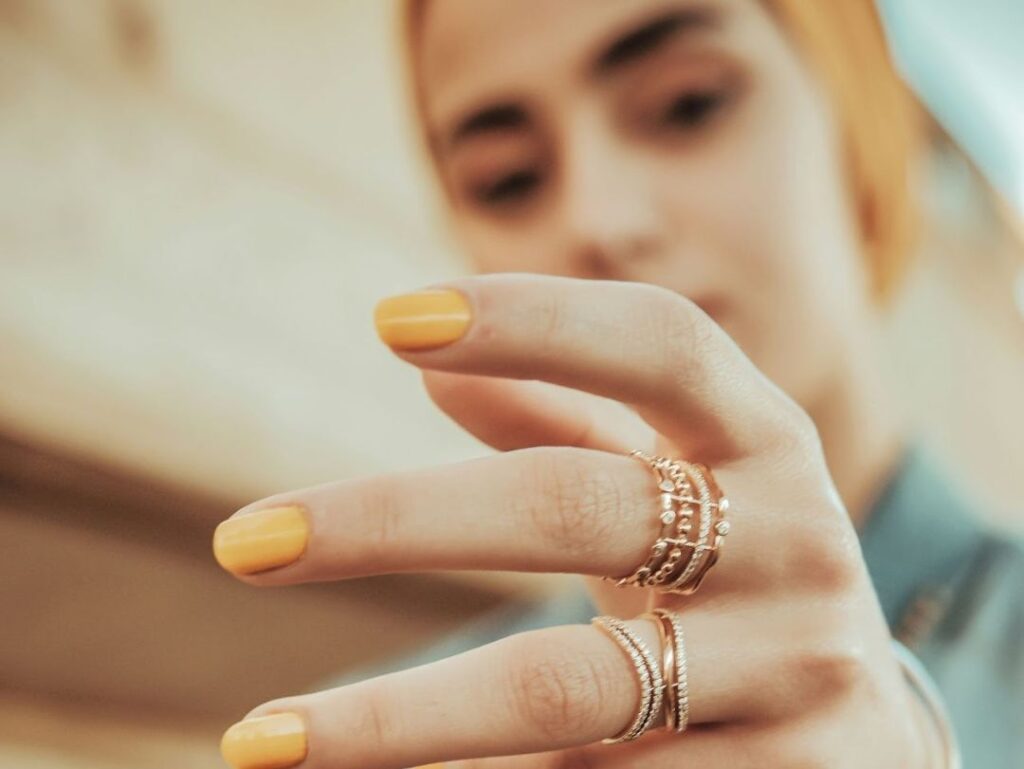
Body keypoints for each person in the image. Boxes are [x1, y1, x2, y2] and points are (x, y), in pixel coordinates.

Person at [210, 2, 1023, 768]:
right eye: (508, 178)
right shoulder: (404, 738)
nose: (597, 220)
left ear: (857, 128)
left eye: (687, 104)